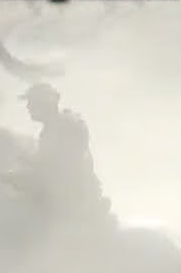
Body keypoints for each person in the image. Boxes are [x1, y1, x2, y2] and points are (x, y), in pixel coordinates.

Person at [11, 82, 109, 230]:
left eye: (32, 102)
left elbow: (58, 171)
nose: (28, 107)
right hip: (73, 195)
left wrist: (16, 176)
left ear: (44, 104)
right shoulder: (58, 125)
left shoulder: (63, 126)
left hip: (70, 203)